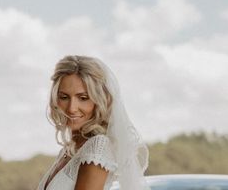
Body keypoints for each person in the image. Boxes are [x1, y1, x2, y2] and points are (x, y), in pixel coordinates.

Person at [36, 55, 150, 190]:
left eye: (83, 98)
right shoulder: (67, 151)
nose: (72, 108)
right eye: (64, 97)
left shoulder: (98, 147)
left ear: (99, 101)